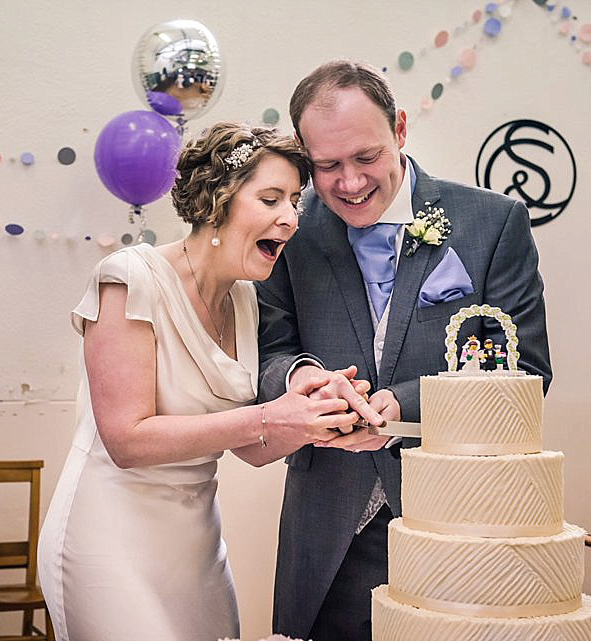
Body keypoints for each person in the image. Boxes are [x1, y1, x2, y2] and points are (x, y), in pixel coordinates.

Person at [256, 60, 553, 641]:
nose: (349, 183)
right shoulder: (288, 229)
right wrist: (305, 384)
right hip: (328, 518)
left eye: (365, 158)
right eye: (327, 166)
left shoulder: (492, 224)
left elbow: (527, 369)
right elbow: (269, 349)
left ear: (400, 130)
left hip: (459, 517)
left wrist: (406, 403)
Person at [37, 122, 361, 641]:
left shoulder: (247, 301)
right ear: (219, 201)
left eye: (294, 202)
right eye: (272, 199)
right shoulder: (129, 278)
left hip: (195, 551)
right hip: (109, 542)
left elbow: (251, 449)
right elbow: (126, 440)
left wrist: (317, 416)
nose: (291, 219)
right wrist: (267, 416)